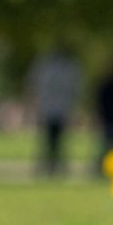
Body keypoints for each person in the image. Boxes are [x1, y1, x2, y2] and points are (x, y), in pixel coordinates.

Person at [27, 47, 82, 177]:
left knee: (52, 141)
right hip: (54, 109)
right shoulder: (64, 68)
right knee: (53, 141)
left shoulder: (47, 67)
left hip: (53, 109)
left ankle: (51, 166)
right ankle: (52, 166)